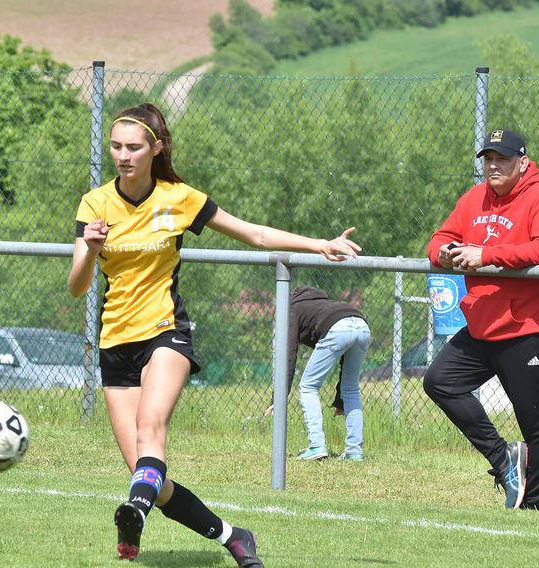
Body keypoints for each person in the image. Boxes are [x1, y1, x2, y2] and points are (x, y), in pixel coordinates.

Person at [67, 103, 361, 564]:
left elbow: (256, 235)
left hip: (166, 334)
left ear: (156, 148)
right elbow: (76, 285)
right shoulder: (95, 203)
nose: (123, 155)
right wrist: (90, 248)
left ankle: (134, 519)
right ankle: (233, 536)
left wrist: (319, 244)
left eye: (134, 146)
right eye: (116, 146)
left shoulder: (179, 197)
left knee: (151, 431)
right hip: (113, 343)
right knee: (150, 480)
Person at [423, 128, 539, 511]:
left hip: (532, 325)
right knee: (440, 381)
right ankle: (504, 459)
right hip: (484, 322)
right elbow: (439, 238)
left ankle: (532, 502)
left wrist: (486, 255)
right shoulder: (475, 198)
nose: (493, 166)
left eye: (502, 159)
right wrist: (445, 254)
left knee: (535, 422)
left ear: (522, 163)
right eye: (488, 159)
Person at [264, 286, 370, 461]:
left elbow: (287, 355)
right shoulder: (323, 305)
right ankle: (354, 451)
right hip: (362, 325)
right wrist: (340, 399)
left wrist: (279, 397)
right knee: (351, 388)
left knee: (308, 386)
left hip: (338, 328)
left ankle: (317, 445)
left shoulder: (291, 308)